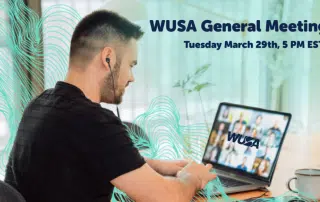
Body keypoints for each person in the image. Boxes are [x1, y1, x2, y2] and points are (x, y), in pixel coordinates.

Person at [4, 10, 216, 202]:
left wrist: (155, 165)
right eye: (131, 65)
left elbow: (91, 156)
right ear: (108, 58)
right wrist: (192, 177)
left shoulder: (40, 104)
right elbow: (169, 198)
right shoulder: (94, 121)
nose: (131, 78)